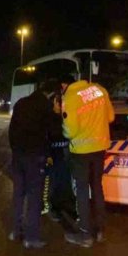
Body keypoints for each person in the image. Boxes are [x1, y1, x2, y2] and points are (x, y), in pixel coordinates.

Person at [61, 75, 115, 248]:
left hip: (81, 151)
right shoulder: (100, 90)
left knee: (82, 190)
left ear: (65, 84)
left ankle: (85, 234)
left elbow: (70, 131)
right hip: (100, 147)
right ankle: (99, 231)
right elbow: (111, 117)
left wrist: (64, 129)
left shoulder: (69, 96)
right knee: (97, 186)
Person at [8, 80, 55, 248]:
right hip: (35, 157)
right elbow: (52, 132)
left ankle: (15, 231)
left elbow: (11, 129)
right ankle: (31, 238)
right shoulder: (46, 106)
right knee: (34, 197)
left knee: (18, 194)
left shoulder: (21, 103)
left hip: (18, 155)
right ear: (50, 94)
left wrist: (15, 149)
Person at [42, 83, 76, 221]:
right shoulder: (48, 118)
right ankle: (49, 206)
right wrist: (47, 155)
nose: (62, 105)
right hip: (53, 155)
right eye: (60, 102)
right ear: (55, 102)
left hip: (64, 155)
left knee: (64, 182)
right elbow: (45, 137)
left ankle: (63, 206)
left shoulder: (66, 116)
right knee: (52, 183)